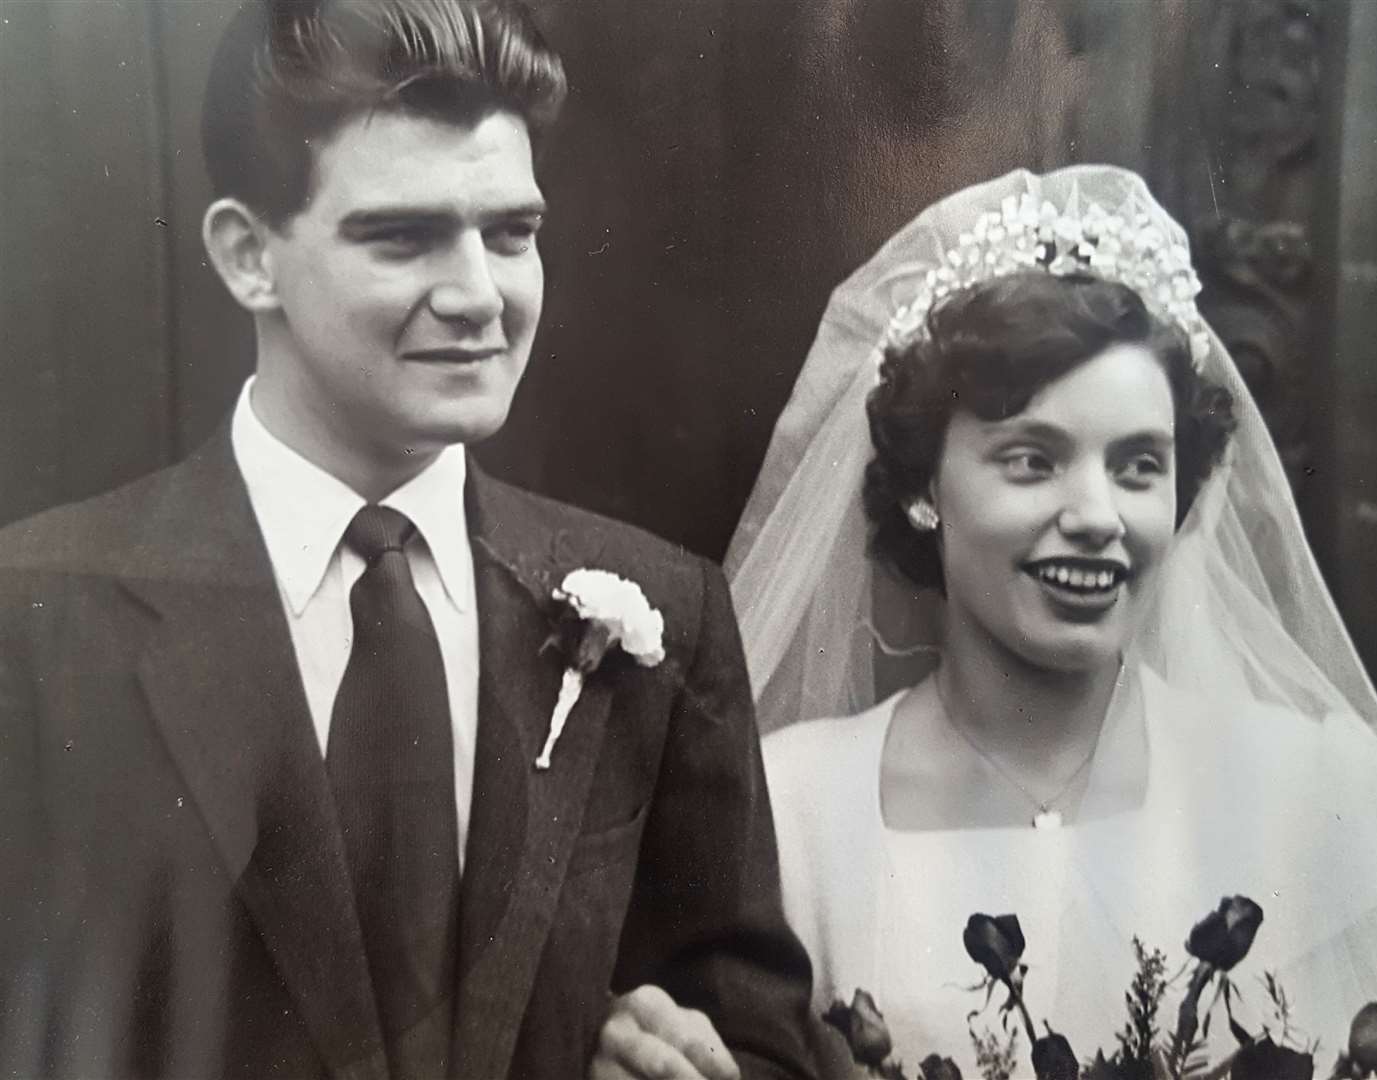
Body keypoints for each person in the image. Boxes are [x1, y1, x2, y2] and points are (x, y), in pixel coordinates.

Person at [0, 2, 815, 1078]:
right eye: (403, 237)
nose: (480, 296)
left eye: (511, 234)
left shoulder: (663, 608)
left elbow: (759, 1040)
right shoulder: (35, 617)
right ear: (249, 256)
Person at [725, 166, 1377, 1077]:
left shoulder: (1314, 788)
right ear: (920, 489)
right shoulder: (792, 814)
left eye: (1140, 465)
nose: (1100, 515)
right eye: (1033, 461)